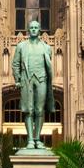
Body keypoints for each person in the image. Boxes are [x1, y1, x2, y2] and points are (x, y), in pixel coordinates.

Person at [11, 20, 54, 149]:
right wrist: (17, 79)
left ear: (39, 29)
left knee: (39, 110)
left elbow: (48, 65)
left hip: (42, 80)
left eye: (36, 27)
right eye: (31, 28)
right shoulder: (21, 46)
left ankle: (37, 139)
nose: (34, 29)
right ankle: (30, 139)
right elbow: (16, 64)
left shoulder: (46, 47)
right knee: (28, 110)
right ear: (28, 30)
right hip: (27, 80)